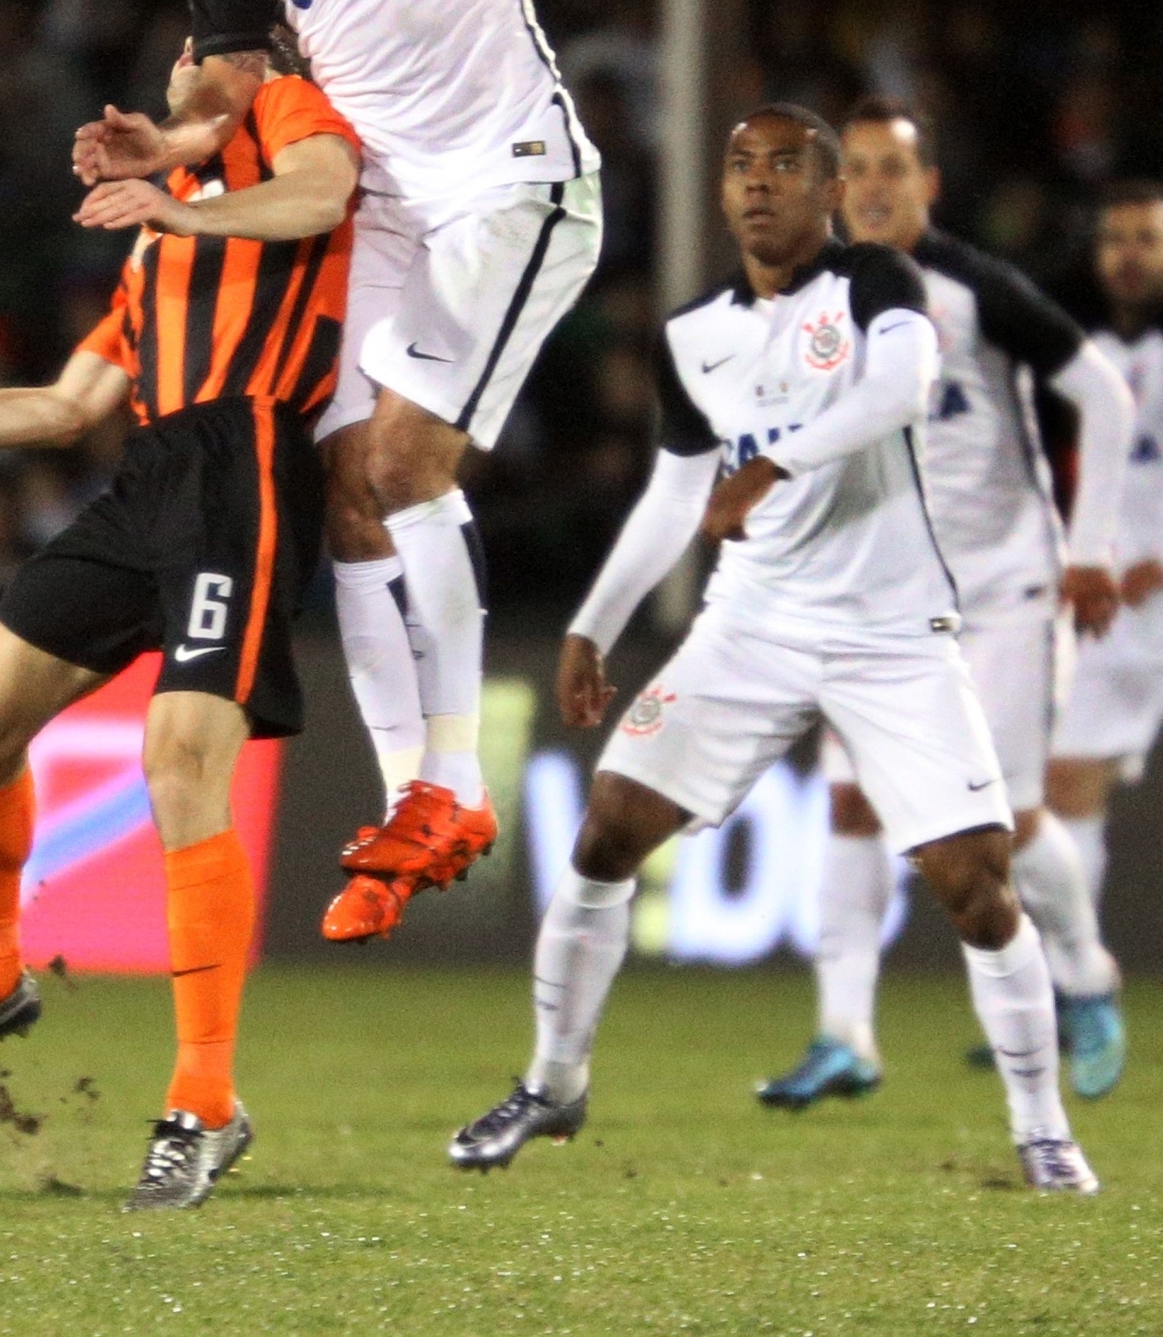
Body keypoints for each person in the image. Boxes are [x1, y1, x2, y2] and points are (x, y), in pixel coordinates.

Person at [71, 0, 815, 944]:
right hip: (389, 205)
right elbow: (235, 85)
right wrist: (177, 146)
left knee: (410, 465)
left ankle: (454, 787)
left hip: (515, 180)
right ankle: (411, 793)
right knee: (344, 479)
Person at [450, 105, 1099, 1194]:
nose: (759, 182)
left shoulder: (878, 288)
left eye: (786, 165)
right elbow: (671, 494)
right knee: (608, 828)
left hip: (889, 632)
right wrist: (590, 624)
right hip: (751, 623)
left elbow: (896, 388)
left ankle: (1043, 1133)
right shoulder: (691, 336)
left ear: (830, 189)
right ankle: (554, 1082)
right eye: (741, 164)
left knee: (975, 882)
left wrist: (776, 465)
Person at [0, 47, 359, 1212]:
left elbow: (325, 192)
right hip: (144, 483)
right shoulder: (162, 241)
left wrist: (174, 194)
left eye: (205, 46)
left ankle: (203, 1102)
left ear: (253, 65)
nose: (182, 59)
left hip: (240, 470)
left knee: (180, 763)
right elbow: (61, 405)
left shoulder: (288, 128)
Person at [757, 100, 1135, 1109]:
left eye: (896, 168)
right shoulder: (811, 301)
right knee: (849, 801)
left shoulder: (977, 291)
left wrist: (1091, 549)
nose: (877, 185)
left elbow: (1103, 394)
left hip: (1005, 585)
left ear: (928, 186)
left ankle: (1087, 979)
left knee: (1003, 818)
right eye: (860, 168)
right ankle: (843, 1035)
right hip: (880, 595)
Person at [1047, 184, 1163, 938]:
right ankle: (1068, 986)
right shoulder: (1084, 354)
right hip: (1108, 615)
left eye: (1146, 239)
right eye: (1115, 239)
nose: (1128, 255)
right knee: (1065, 787)